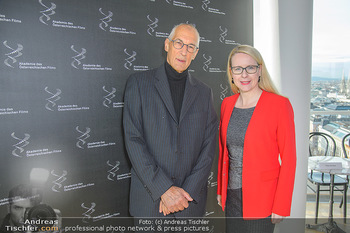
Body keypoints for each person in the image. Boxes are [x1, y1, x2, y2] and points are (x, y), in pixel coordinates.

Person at [123, 23, 218, 220]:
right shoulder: (139, 84)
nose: (184, 51)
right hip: (151, 204)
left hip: (188, 205)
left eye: (190, 46)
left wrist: (185, 194)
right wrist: (165, 190)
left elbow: (208, 148)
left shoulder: (204, 93)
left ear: (196, 53)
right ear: (167, 44)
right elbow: (133, 141)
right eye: (179, 43)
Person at [216, 45, 296, 233]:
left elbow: (289, 159)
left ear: (259, 70)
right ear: (231, 73)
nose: (244, 75)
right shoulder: (227, 104)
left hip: (263, 199)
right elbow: (224, 151)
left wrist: (281, 204)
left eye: (250, 68)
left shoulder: (279, 105)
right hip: (232, 196)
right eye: (238, 69)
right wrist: (221, 188)